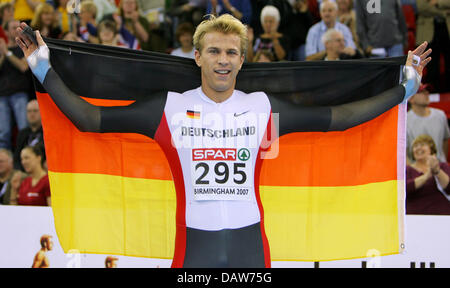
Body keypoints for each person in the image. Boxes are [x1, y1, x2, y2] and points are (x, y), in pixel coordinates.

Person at [16, 14, 430, 267]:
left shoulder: (262, 108)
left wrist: (404, 91)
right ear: (197, 57)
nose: (223, 60)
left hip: (252, 247)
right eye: (214, 51)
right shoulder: (170, 108)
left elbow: (338, 120)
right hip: (194, 249)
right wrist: (43, 70)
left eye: (231, 53)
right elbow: (91, 119)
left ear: (242, 60)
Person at [0, 19, 31, 150]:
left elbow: (23, 67)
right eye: (13, 28)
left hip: (20, 94)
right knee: (4, 132)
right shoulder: (2, 50)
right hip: (2, 95)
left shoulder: (25, 47)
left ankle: (25, 156)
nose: (17, 30)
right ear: (6, 32)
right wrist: (2, 53)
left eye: (19, 27)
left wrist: (7, 53)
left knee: (24, 128)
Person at [406, 134, 450, 215]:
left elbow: (448, 187)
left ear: (431, 149)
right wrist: (426, 176)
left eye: (422, 145)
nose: (418, 148)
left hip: (443, 217)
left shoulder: (443, 166)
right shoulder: (407, 169)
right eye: (415, 146)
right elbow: (405, 188)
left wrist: (437, 170)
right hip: (415, 218)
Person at [407, 84, 450, 163]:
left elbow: (445, 141)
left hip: (440, 168)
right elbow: (403, 152)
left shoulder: (440, 115)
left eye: (426, 91)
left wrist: (442, 164)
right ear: (411, 98)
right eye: (421, 92)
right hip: (417, 171)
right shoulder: (405, 121)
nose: (426, 93)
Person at [416, 0, 450, 92]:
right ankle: (432, 92)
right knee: (432, 65)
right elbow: (422, 7)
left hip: (446, 29)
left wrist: (437, 2)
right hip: (428, 32)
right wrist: (444, 12)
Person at [14, 99, 45, 171]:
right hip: (24, 171)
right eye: (29, 111)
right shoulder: (22, 133)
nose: (32, 114)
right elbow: (17, 157)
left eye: (35, 111)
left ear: (42, 112)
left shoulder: (47, 132)